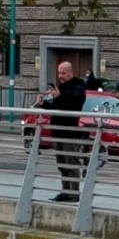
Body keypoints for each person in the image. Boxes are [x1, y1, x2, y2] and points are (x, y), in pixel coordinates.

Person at [46, 54, 94, 202]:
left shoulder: (78, 86)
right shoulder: (62, 88)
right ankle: (65, 191)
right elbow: (57, 107)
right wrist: (43, 103)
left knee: (71, 163)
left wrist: (58, 97)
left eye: (63, 73)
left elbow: (72, 106)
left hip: (69, 132)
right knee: (62, 164)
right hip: (57, 130)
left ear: (71, 73)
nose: (60, 76)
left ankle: (73, 193)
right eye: (59, 73)